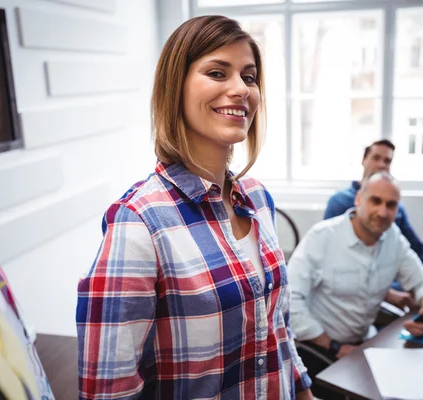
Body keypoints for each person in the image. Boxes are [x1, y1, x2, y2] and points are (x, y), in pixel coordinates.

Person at [76, 16, 313, 400]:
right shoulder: (138, 222)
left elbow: (277, 330)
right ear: (175, 89)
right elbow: (109, 391)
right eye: (218, 72)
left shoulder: (258, 198)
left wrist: (303, 391)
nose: (240, 89)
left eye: (249, 77)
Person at [289, 172, 423, 390]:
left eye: (391, 205)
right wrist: (333, 346)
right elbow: (289, 301)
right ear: (359, 199)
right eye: (375, 201)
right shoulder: (322, 237)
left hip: (363, 344)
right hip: (317, 346)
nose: (382, 212)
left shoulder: (393, 239)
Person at [324, 140, 423, 285]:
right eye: (376, 158)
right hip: (355, 284)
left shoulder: (396, 209)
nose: (382, 212)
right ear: (358, 200)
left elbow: (416, 248)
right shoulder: (339, 202)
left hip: (392, 279)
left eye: (387, 161)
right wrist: (389, 294)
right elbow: (331, 254)